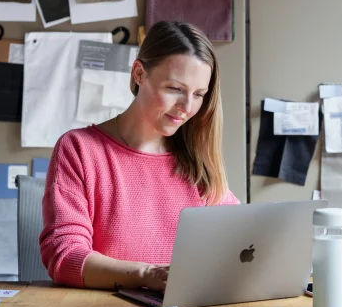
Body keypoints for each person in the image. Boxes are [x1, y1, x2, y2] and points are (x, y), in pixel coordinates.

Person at [40, 21, 240, 292]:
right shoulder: (79, 149)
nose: (187, 107)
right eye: (175, 89)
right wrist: (146, 275)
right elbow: (64, 257)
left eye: (199, 94)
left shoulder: (196, 161)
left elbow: (242, 238)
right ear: (139, 74)